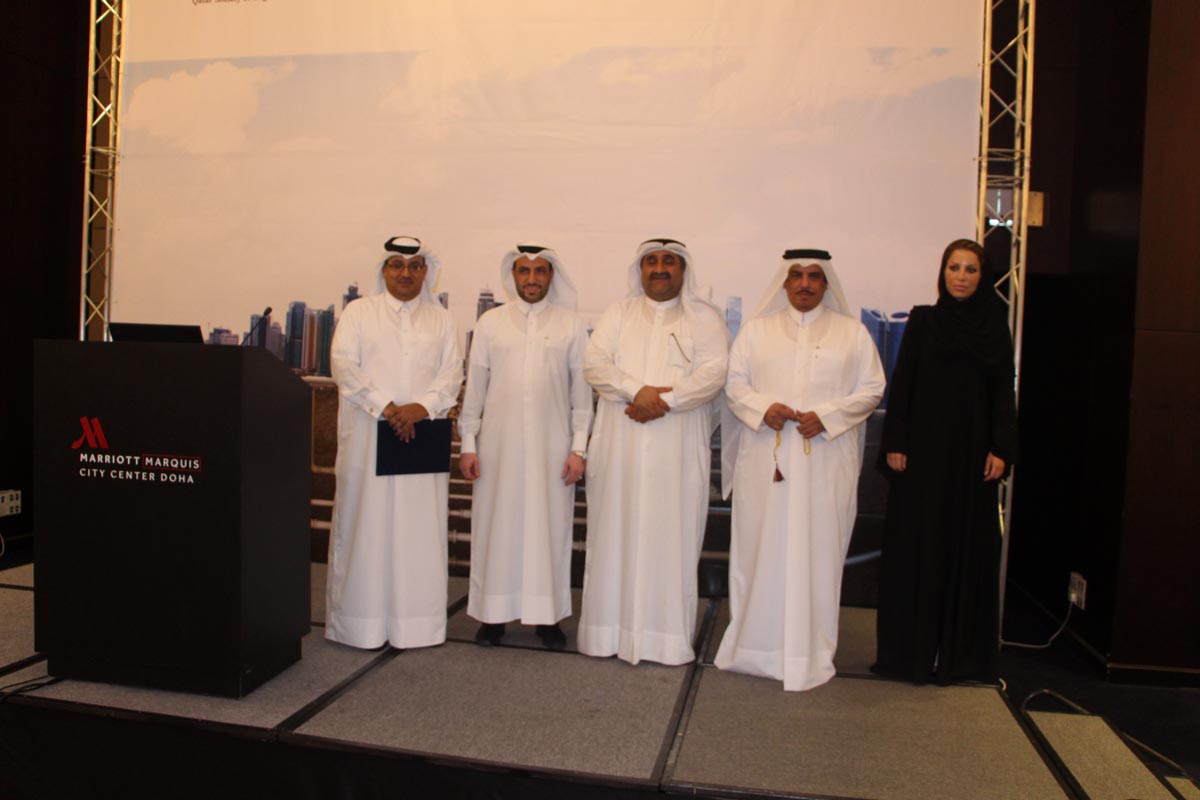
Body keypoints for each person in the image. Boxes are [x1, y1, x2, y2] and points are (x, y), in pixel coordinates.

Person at [715, 248, 885, 691]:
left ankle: (808, 653)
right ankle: (753, 648)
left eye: (814, 276)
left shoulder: (852, 334)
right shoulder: (756, 332)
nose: (805, 284)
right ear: (785, 282)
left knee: (818, 553)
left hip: (825, 464)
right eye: (797, 275)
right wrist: (762, 407)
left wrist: (827, 416)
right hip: (764, 462)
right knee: (759, 549)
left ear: (826, 284)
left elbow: (872, 388)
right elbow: (734, 384)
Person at [872, 238, 1018, 684]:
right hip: (922, 457)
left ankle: (960, 658)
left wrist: (1001, 449)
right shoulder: (924, 321)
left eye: (971, 269)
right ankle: (909, 655)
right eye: (954, 267)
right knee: (917, 549)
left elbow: (1002, 392)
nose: (961, 277)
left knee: (965, 552)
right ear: (942, 272)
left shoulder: (995, 327)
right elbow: (903, 384)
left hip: (973, 460)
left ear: (983, 276)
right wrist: (896, 442)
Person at [578, 238, 729, 666]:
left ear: (683, 269)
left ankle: (665, 641)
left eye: (669, 261)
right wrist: (637, 391)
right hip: (620, 445)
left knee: (672, 536)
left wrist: (666, 401)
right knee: (614, 535)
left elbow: (714, 373)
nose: (659, 269)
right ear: (639, 269)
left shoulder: (705, 319)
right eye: (651, 261)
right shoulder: (618, 313)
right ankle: (605, 634)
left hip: (676, 446)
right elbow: (595, 364)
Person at [326, 235, 463, 650]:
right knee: (364, 526)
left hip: (422, 434)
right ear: (384, 270)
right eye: (396, 265)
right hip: (369, 433)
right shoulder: (359, 313)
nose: (405, 273)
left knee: (418, 530)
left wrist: (420, 408)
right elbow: (343, 365)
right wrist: (387, 408)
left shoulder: (442, 320)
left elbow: (452, 375)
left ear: (425, 271)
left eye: (414, 265)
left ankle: (416, 625)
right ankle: (359, 624)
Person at [458, 244, 593, 650]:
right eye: (523, 271)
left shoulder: (571, 326)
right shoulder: (490, 323)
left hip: (553, 450)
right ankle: (493, 616)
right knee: (496, 529)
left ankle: (547, 618)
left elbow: (581, 395)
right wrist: (468, 444)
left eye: (540, 271)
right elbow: (475, 389)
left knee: (548, 531)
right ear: (512, 276)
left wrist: (579, 449)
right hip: (497, 449)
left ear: (552, 276)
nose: (531, 279)